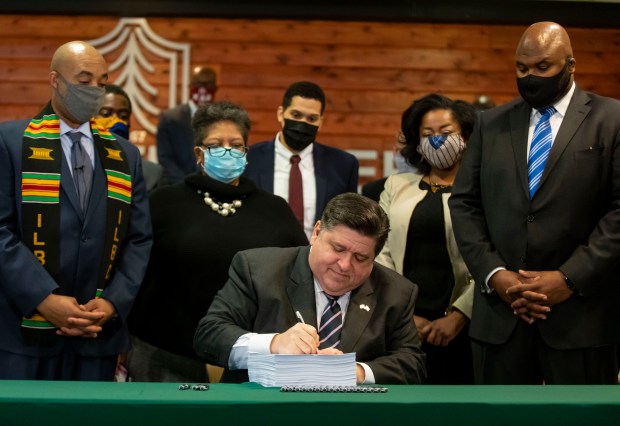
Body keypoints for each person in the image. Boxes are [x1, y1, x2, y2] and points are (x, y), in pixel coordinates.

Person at [449, 21, 620, 384]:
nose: (530, 77)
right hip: (500, 318)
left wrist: (568, 278)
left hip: (581, 321)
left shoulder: (612, 119)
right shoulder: (490, 124)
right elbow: (464, 204)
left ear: (570, 66)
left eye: (543, 67)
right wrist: (496, 275)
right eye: (522, 68)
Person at [0, 41, 152, 381]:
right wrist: (43, 297)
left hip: (97, 334)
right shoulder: (10, 142)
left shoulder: (124, 154)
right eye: (84, 80)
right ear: (55, 80)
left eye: (102, 81)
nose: (95, 90)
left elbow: (139, 240)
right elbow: (1, 230)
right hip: (23, 332)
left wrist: (112, 303)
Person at [127, 101, 308, 382]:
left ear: (246, 152)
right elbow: (135, 270)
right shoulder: (162, 203)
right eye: (216, 144)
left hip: (251, 360)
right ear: (199, 153)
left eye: (236, 145)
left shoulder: (275, 210)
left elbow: (300, 274)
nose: (227, 151)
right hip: (166, 354)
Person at [194, 192, 427, 385]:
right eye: (337, 248)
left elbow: (412, 364)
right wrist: (274, 344)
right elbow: (209, 336)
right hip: (263, 415)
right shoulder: (258, 269)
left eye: (360, 257)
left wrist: (352, 372)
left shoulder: (396, 292)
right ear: (316, 232)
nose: (345, 265)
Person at [375, 94, 477, 384]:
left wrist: (460, 316)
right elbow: (379, 250)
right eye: (427, 134)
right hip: (402, 324)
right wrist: (404, 315)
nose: (437, 141)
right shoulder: (396, 185)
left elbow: (492, 255)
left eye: (446, 133)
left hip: (464, 326)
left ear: (466, 137)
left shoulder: (481, 191)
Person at [243, 81, 359, 239]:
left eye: (312, 118)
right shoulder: (248, 159)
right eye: (296, 115)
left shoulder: (344, 165)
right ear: (280, 113)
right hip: (261, 257)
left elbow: (349, 224)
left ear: (321, 122)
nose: (303, 124)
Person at [96, 84, 166, 194]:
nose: (116, 121)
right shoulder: (74, 166)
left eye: (123, 116)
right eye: (106, 114)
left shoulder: (151, 175)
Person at [157, 66, 218, 184]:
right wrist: (186, 185)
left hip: (213, 185)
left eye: (208, 85)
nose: (203, 89)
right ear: (190, 86)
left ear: (215, 88)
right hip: (177, 186)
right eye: (199, 84)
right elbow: (165, 158)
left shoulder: (222, 120)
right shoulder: (170, 118)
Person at [361, 130, 418, 203]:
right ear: (394, 151)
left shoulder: (433, 187)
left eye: (411, 152)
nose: (406, 157)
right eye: (401, 151)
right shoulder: (372, 191)